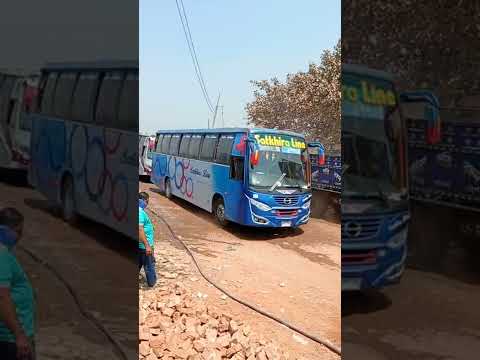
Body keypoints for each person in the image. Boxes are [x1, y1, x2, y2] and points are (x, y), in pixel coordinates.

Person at [0, 208, 35, 360]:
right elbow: (2, 297)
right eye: (18, 231)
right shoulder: (1, 256)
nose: (20, 236)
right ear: (5, 230)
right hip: (10, 339)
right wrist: (19, 335)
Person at [138, 192, 156, 287]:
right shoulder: (140, 212)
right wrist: (147, 245)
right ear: (144, 200)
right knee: (149, 266)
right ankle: (152, 285)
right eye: (147, 201)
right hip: (144, 246)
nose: (147, 203)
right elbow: (139, 228)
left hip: (140, 246)